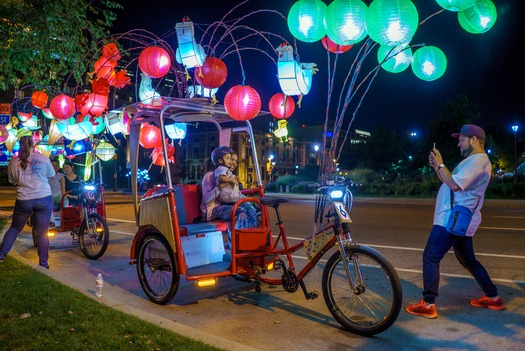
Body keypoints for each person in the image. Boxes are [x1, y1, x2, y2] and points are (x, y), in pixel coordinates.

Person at [406, 124, 504, 319]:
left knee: (431, 257)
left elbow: (454, 185)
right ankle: (493, 297)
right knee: (468, 259)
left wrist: (441, 163)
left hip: (451, 219)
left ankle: (428, 303)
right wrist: (437, 167)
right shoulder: (474, 161)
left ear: (473, 140)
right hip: (460, 219)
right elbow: (448, 180)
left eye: (461, 140)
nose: (458, 144)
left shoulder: (477, 161)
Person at [0, 128, 54, 268]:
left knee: (15, 228)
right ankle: (43, 263)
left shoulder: (14, 162)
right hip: (43, 197)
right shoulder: (42, 158)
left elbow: (12, 181)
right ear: (32, 144)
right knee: (43, 233)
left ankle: (1, 255)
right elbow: (51, 174)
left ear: (19, 143)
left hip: (24, 199)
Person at [200, 146, 257, 229]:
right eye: (230, 159)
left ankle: (252, 235)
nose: (232, 162)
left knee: (251, 210)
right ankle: (238, 239)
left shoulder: (230, 176)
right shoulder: (210, 176)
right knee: (240, 212)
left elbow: (231, 195)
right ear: (221, 160)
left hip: (226, 205)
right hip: (212, 209)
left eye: (235, 161)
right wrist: (218, 188)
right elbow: (205, 200)